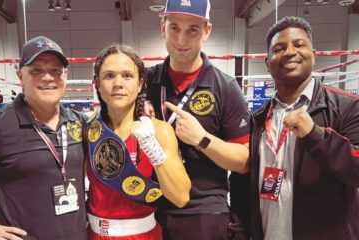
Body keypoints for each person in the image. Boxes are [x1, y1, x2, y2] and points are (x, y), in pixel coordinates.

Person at [0, 36, 88, 240]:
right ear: (20, 76)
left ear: (65, 75)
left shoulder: (79, 122)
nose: (47, 78)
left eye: (55, 70)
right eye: (36, 70)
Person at [246, 16, 359, 240]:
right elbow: (242, 184)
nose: (289, 52)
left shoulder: (347, 106)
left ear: (314, 55)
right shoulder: (258, 119)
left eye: (299, 45)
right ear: (268, 63)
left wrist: (316, 136)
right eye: (279, 48)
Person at [146, 0, 250, 239]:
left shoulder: (225, 87)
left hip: (202, 214)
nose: (182, 40)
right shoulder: (146, 82)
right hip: (150, 209)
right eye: (174, 28)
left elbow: (244, 161)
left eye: (192, 29)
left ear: (207, 31)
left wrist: (203, 139)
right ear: (163, 27)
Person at [86, 43, 191, 239]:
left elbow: (181, 197)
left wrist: (152, 148)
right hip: (93, 234)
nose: (118, 83)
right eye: (109, 75)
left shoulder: (159, 130)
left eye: (127, 75)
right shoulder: (88, 130)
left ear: (140, 83)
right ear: (98, 84)